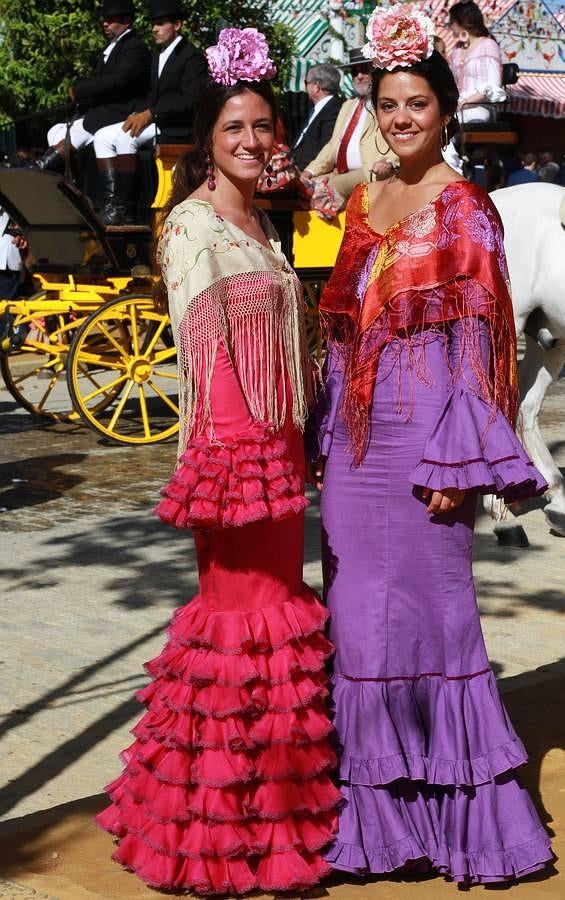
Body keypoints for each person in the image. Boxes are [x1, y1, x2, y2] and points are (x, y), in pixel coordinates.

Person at [95, 27, 340, 895]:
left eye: (263, 127)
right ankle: (217, 827)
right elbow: (208, 356)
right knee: (242, 625)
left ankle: (275, 819)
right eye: (234, 127)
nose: (251, 140)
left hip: (277, 444)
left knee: (277, 618)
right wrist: (243, 459)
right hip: (237, 456)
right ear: (208, 139)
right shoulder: (194, 224)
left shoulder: (262, 218)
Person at [312, 4, 553, 884]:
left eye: (417, 103)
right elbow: (344, 331)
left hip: (426, 442)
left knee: (436, 621)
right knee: (357, 627)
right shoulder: (368, 200)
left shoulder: (465, 207)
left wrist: (462, 465)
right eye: (388, 104)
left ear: (446, 111)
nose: (402, 116)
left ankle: (463, 828)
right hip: (355, 445)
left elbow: (487, 350)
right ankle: (379, 826)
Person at [92, 0, 206, 225]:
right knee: (102, 137)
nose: (154, 28)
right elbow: (151, 96)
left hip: (175, 126)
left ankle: (125, 208)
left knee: (126, 137)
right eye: (153, 24)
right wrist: (138, 112)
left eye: (161, 23)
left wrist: (151, 113)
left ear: (177, 25)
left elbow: (190, 99)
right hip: (155, 119)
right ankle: (111, 203)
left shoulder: (191, 56)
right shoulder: (158, 56)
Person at [37, 0, 150, 172]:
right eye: (105, 19)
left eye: (111, 19)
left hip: (121, 110)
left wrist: (79, 90)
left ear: (126, 21)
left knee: (78, 133)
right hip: (102, 109)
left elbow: (116, 80)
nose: (105, 23)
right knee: (56, 131)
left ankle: (39, 168)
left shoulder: (135, 47)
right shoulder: (111, 46)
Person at [302, 48, 398, 209]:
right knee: (305, 188)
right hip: (339, 171)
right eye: (355, 72)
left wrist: (390, 162)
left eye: (364, 71)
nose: (359, 76)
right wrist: (309, 172)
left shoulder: (386, 103)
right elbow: (332, 145)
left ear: (375, 71)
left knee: (327, 189)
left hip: (369, 171)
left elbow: (399, 138)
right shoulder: (348, 105)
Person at [448, 1, 505, 124]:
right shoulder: (456, 49)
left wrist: (464, 103)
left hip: (480, 107)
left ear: (462, 22)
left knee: (450, 124)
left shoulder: (488, 45)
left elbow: (492, 85)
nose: (450, 26)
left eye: (451, 22)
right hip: (457, 107)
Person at [291, 64, 344, 172]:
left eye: (306, 82)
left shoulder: (335, 110)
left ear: (317, 86)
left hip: (308, 172)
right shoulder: (316, 108)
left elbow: (325, 149)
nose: (305, 87)